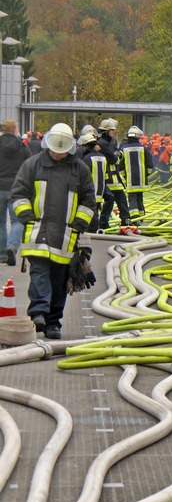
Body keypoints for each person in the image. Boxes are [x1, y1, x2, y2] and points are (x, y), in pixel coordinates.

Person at [12, 123, 96, 340]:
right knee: (39, 272)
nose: (57, 152)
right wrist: (27, 217)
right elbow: (19, 194)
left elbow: (88, 201)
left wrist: (79, 225)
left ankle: (53, 324)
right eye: (54, 147)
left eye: (62, 148)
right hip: (37, 232)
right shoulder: (33, 165)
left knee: (60, 280)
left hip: (65, 237)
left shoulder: (80, 170)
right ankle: (38, 312)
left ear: (69, 147)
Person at [0, 120, 31, 265]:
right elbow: (30, 167)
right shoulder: (22, 148)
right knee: (17, 221)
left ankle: (1, 254)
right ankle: (12, 246)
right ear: (14, 131)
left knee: (0, 222)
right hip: (16, 189)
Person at [96, 118, 132, 228]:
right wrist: (117, 155)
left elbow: (117, 154)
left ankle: (123, 220)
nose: (114, 132)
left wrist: (117, 155)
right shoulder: (103, 143)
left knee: (116, 200)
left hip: (114, 176)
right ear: (106, 131)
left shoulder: (110, 142)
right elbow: (114, 159)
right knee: (113, 200)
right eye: (112, 130)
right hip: (109, 177)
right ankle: (106, 222)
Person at [79, 132, 109, 233]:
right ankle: (97, 228)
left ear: (87, 146)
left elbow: (83, 176)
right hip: (100, 190)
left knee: (91, 213)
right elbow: (106, 175)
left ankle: (92, 232)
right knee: (95, 211)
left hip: (90, 190)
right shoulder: (103, 157)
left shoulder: (87, 159)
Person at [120, 126, 150, 218]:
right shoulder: (143, 149)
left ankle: (134, 217)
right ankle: (141, 216)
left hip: (130, 179)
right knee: (140, 198)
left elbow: (120, 166)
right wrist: (146, 175)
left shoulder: (124, 149)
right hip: (141, 180)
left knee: (132, 198)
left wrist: (124, 177)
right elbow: (149, 164)